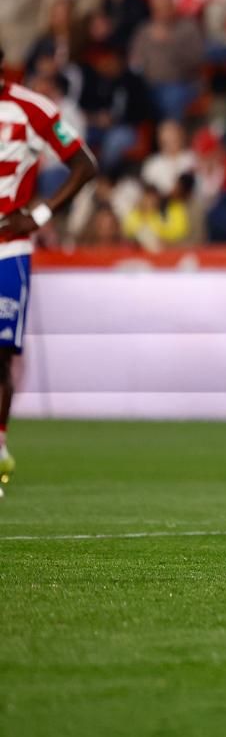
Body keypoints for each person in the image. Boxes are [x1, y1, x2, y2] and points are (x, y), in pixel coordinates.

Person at [0, 47, 100, 482]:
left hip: (9, 247)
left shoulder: (31, 109)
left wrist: (39, 215)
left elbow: (84, 164)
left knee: (1, 354)